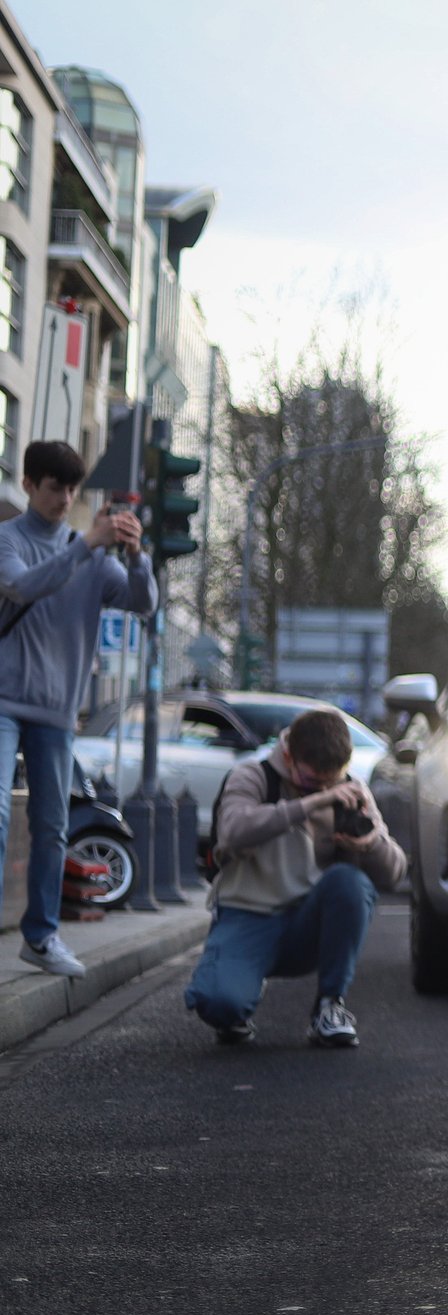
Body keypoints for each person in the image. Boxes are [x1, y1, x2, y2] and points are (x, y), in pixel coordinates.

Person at [0, 440, 156, 978]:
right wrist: (88, 541)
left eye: (71, 489)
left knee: (51, 826)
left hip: (58, 711)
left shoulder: (92, 556)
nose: (65, 499)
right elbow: (23, 587)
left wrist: (137, 555)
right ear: (28, 486)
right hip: (3, 702)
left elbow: (142, 602)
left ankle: (40, 938)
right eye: (54, 488)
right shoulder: (7, 540)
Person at [185, 707, 405, 1047]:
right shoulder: (253, 776)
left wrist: (369, 843)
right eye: (313, 781)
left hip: (306, 923)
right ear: (288, 756)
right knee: (218, 1004)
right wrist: (312, 803)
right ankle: (237, 996)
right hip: (248, 916)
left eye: (332, 779)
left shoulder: (350, 790)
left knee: (350, 883)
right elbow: (232, 831)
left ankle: (330, 1006)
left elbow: (395, 871)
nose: (325, 787)